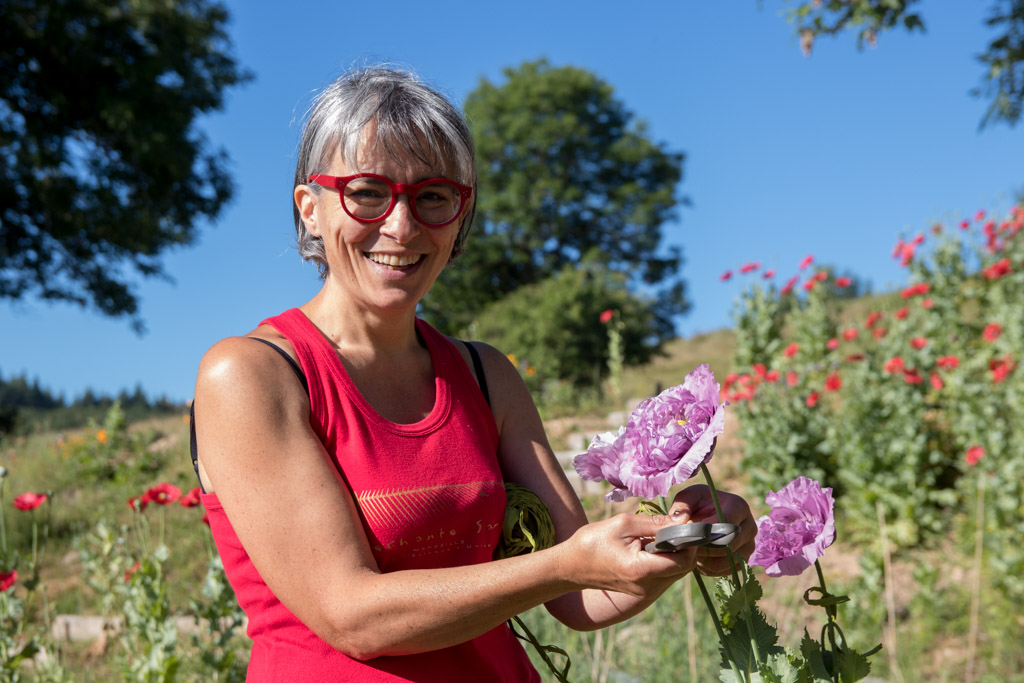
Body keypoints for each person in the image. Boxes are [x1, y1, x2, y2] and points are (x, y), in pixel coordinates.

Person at [191, 66, 756, 682]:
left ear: (460, 217)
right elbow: (350, 615)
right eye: (367, 192)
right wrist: (564, 566)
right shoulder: (252, 375)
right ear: (311, 210)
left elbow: (582, 598)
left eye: (433, 196)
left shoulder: (485, 375)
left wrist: (678, 544)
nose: (401, 226)